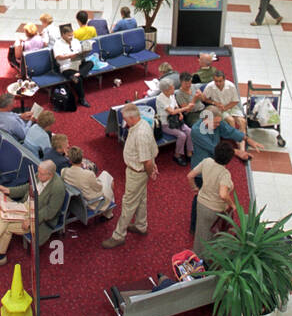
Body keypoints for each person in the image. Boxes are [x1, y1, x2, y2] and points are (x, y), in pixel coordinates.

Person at [0, 159, 65, 267]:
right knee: (3, 213)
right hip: (25, 206)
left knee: (6, 225)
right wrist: (9, 190)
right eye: (38, 172)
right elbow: (27, 188)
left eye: (42, 174)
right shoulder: (39, 175)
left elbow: (50, 212)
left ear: (50, 175)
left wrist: (32, 219)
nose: (38, 175)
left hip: (39, 218)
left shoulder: (58, 188)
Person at [103, 104, 158, 248]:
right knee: (141, 198)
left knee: (128, 203)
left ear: (133, 118)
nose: (124, 122)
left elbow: (146, 160)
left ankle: (119, 235)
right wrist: (152, 166)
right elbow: (151, 150)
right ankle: (141, 225)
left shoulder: (140, 134)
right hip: (138, 171)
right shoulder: (144, 123)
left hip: (137, 173)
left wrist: (150, 171)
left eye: (125, 119)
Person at [191, 138, 238, 256]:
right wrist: (232, 204)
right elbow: (223, 194)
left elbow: (190, 175)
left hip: (201, 203)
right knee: (213, 236)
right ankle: (206, 263)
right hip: (215, 209)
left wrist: (195, 188)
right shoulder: (224, 174)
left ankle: (196, 255)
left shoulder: (207, 161)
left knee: (200, 231)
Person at [60, 147, 116, 219]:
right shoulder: (88, 174)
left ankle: (108, 214)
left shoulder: (63, 171)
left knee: (105, 176)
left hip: (77, 202)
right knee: (108, 177)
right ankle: (108, 214)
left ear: (70, 161)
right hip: (90, 202)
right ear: (82, 159)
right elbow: (99, 188)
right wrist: (97, 180)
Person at [155, 79, 193, 166]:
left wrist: (180, 113)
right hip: (166, 124)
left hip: (176, 120)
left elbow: (175, 106)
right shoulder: (160, 99)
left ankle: (189, 153)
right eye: (172, 88)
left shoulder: (171, 95)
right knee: (182, 135)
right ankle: (177, 155)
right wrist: (186, 108)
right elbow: (171, 111)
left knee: (189, 131)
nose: (174, 89)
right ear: (166, 90)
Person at [52, 24, 91, 108]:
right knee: (77, 80)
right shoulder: (57, 44)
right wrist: (69, 56)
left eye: (72, 35)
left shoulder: (75, 41)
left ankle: (78, 73)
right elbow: (57, 57)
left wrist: (84, 52)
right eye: (69, 35)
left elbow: (80, 52)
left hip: (78, 64)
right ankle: (82, 99)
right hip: (67, 67)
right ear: (63, 35)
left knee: (90, 63)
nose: (71, 37)